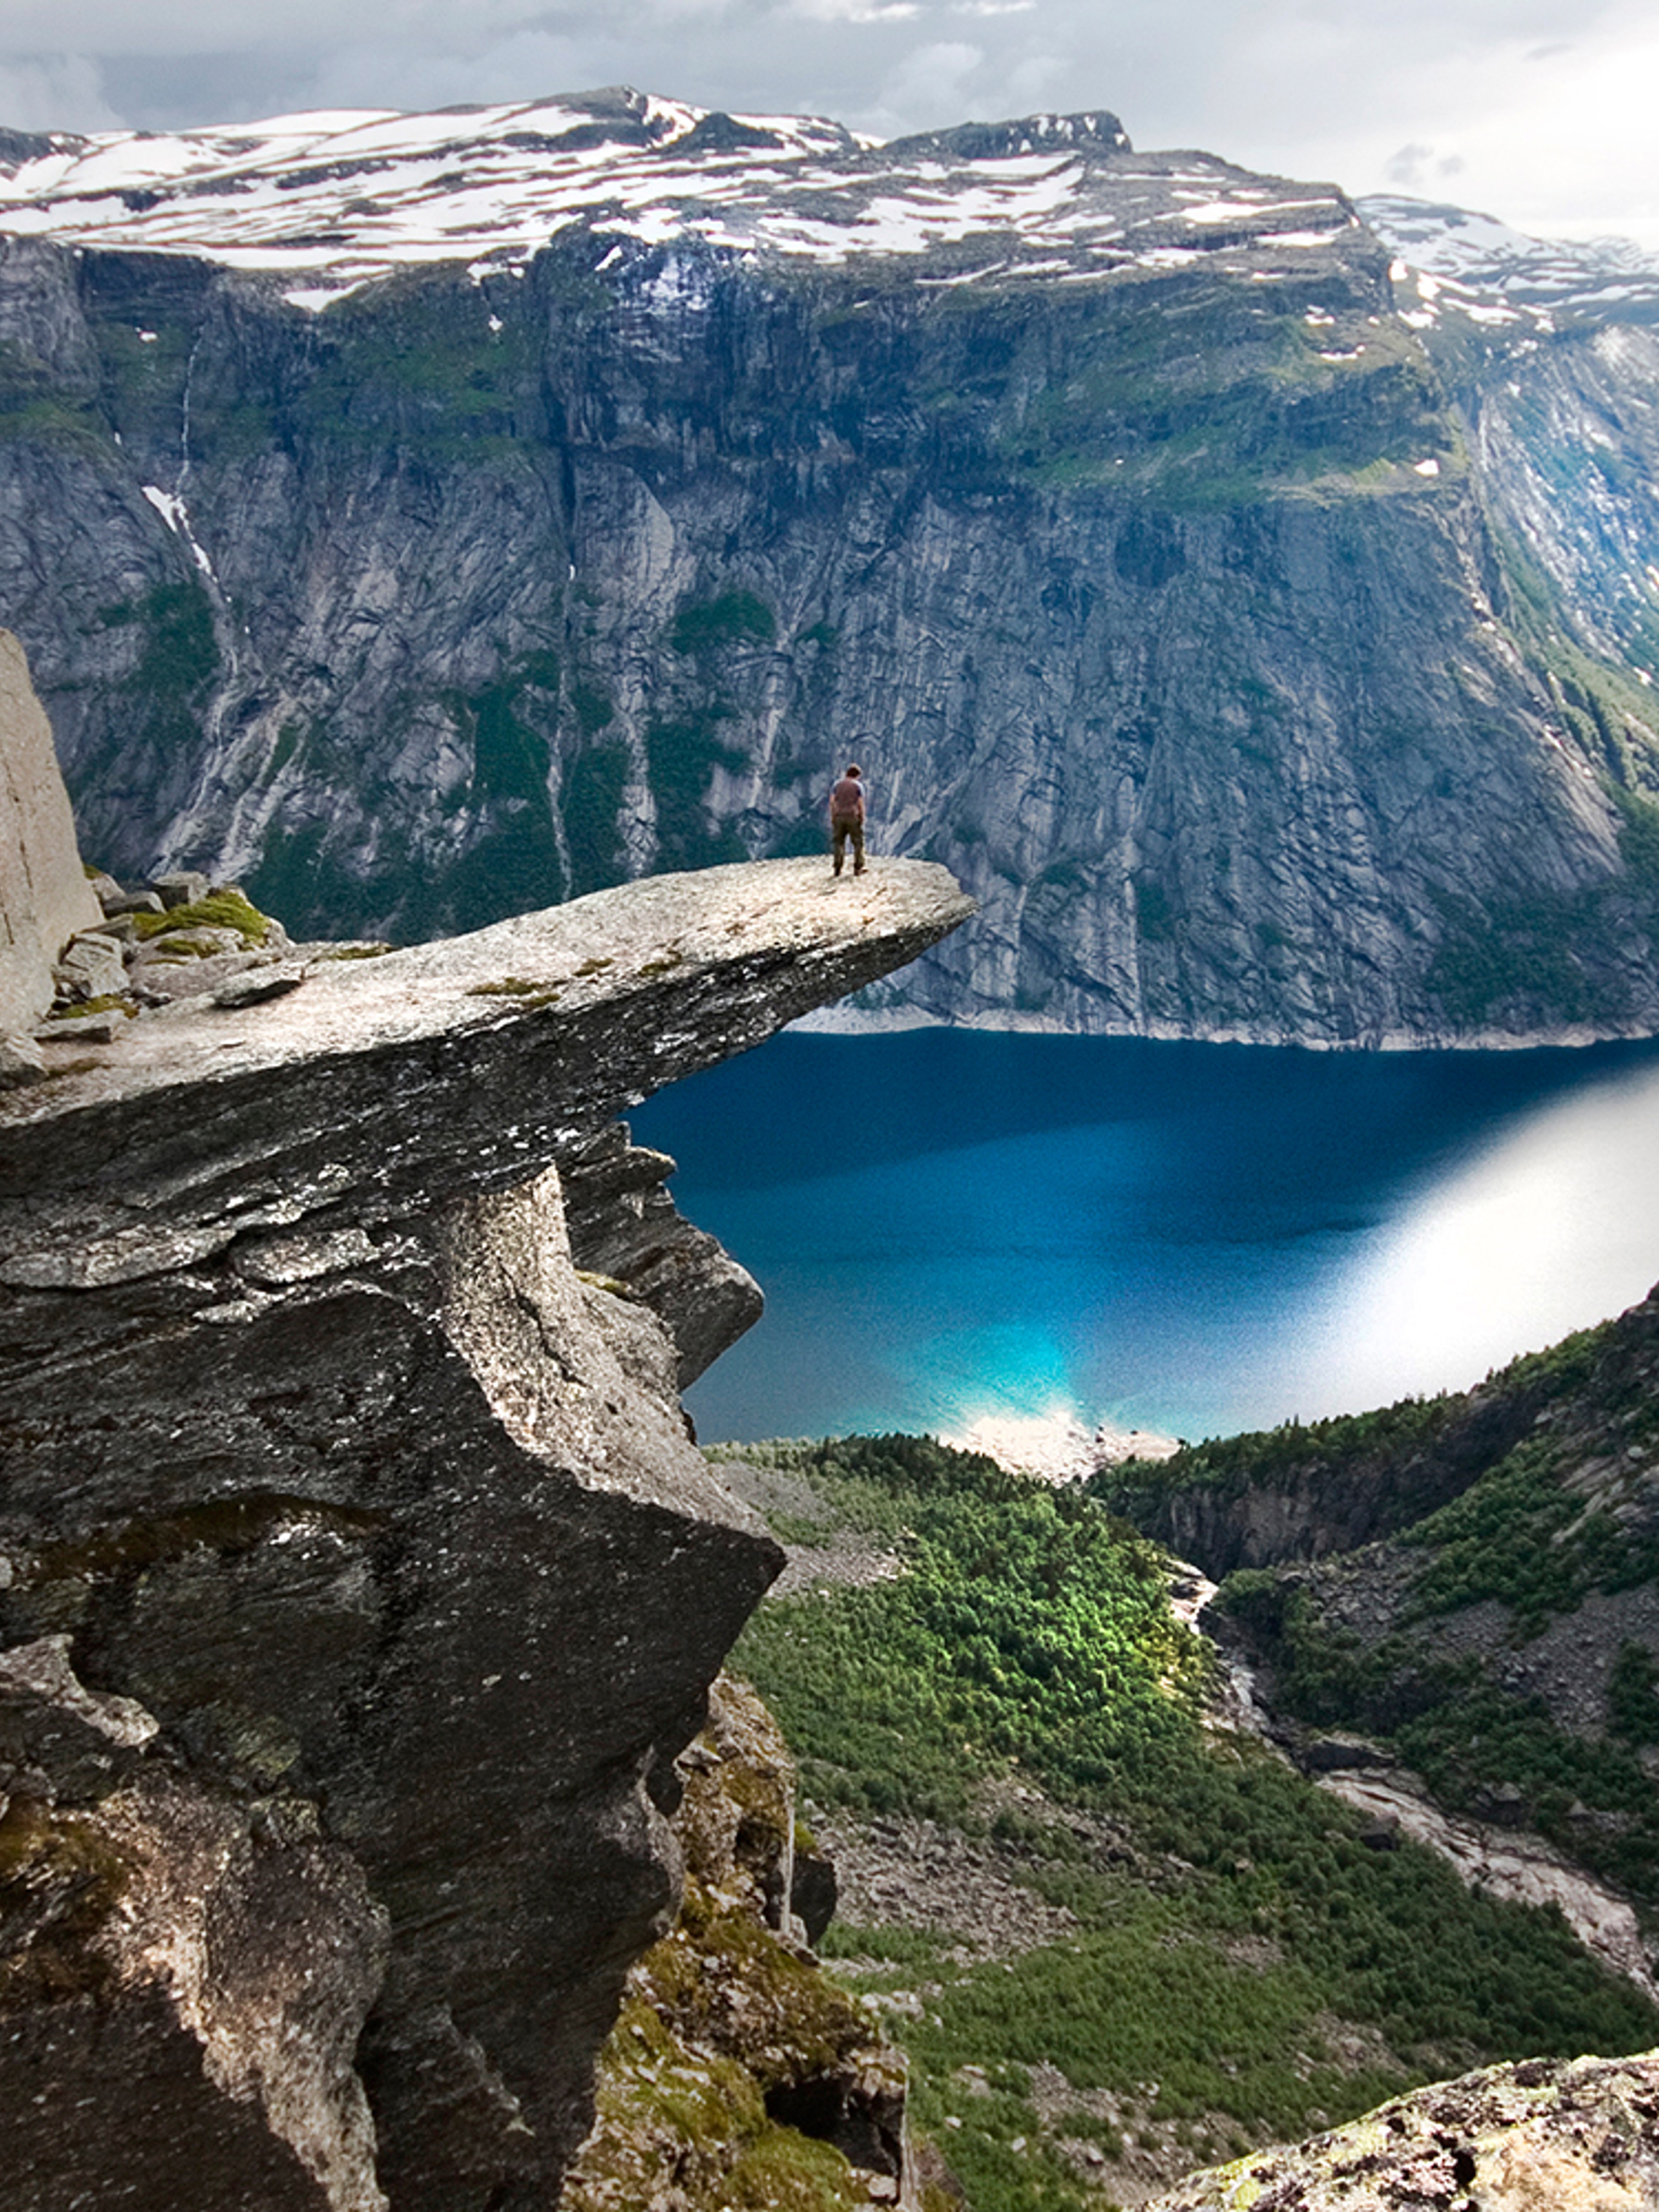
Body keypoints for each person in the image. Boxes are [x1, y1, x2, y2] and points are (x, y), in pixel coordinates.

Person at [828, 763, 866, 877]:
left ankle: (838, 868)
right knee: (858, 842)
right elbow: (860, 803)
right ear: (857, 776)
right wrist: (862, 817)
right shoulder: (858, 786)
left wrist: (834, 815)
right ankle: (858, 868)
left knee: (838, 842)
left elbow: (832, 802)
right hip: (852, 816)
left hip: (840, 816)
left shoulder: (837, 785)